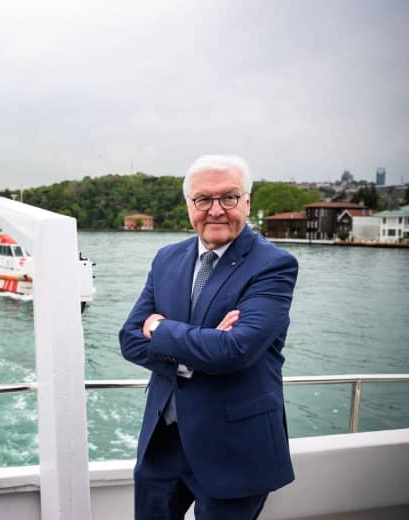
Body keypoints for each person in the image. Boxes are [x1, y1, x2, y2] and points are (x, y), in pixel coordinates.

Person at [119, 155, 298, 519]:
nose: (215, 210)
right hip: (163, 443)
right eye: (203, 199)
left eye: (228, 198)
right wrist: (201, 347)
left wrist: (160, 329)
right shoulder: (166, 259)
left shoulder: (273, 265)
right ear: (189, 206)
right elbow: (130, 339)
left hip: (234, 448)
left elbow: (235, 349)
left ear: (247, 201)